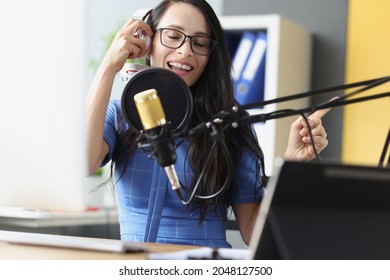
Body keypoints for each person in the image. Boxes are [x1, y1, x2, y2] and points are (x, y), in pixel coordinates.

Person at [86, 0, 330, 248]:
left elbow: (255, 232)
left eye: (200, 43)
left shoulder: (230, 124)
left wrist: (292, 164)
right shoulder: (120, 114)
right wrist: (109, 67)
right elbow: (84, 162)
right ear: (147, 42)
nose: (185, 51)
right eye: (172, 36)